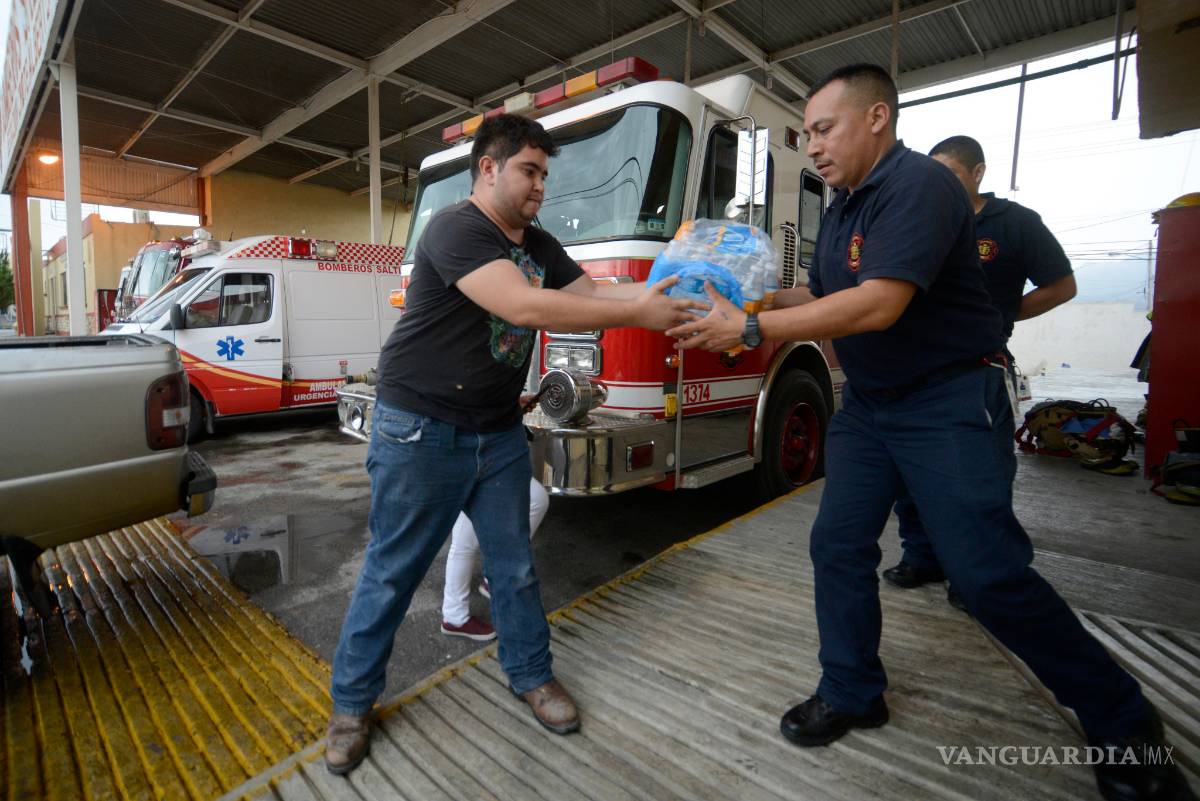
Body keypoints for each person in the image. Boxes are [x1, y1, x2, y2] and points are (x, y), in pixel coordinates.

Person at [668, 64, 1189, 801]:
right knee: (838, 544)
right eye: (808, 133)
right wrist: (736, 292)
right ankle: (852, 689)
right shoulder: (846, 205)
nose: (812, 146)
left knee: (987, 577)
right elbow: (824, 292)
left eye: (824, 128)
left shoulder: (919, 187)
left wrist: (750, 325)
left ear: (877, 117)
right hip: (873, 407)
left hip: (946, 401)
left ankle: (1127, 729)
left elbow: (879, 304)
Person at [325, 113, 696, 775]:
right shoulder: (456, 229)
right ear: (488, 169)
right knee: (391, 572)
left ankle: (531, 675)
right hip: (420, 430)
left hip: (496, 428)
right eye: (529, 170)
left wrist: (677, 293)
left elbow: (593, 293)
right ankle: (351, 706)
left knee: (516, 565)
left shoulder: (540, 243)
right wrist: (636, 311)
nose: (540, 186)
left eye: (545, 174)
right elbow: (525, 307)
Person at [882, 134, 1077, 610]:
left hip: (976, 370)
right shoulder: (921, 221)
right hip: (912, 371)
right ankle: (923, 556)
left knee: (978, 483)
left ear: (977, 173)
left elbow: (1061, 285)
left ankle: (979, 577)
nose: (937, 184)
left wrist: (1002, 316)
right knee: (910, 479)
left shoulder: (1014, 223)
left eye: (948, 174)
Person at [440, 475, 549, 641]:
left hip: (476, 458)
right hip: (474, 459)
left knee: (465, 540)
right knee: (537, 499)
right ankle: (457, 614)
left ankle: (457, 612)